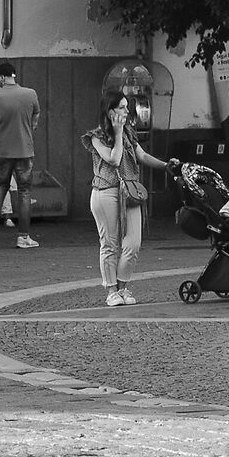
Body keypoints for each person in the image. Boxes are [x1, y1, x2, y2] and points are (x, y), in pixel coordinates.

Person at [85, 91, 168, 306]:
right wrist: (118, 132)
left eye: (126, 107)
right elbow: (113, 159)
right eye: (121, 107)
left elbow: (141, 156)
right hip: (106, 191)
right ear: (110, 111)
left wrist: (168, 166)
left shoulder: (130, 132)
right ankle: (111, 290)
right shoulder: (96, 136)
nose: (126, 111)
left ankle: (122, 287)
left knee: (133, 243)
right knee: (110, 244)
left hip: (130, 192)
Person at [0, 61, 42, 249]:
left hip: (3, 151)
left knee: (0, 185)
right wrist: (26, 130)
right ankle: (23, 237)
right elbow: (35, 119)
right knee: (24, 191)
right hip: (24, 150)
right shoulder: (30, 94)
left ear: (2, 77)